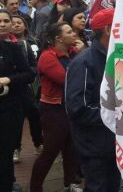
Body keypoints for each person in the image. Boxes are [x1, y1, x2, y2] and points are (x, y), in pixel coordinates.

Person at [65, 9, 121, 192]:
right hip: (94, 144)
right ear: (107, 29)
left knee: (113, 185)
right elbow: (77, 108)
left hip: (112, 140)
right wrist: (115, 114)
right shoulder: (84, 62)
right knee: (98, 187)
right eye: (122, 25)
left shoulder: (113, 57)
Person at [31, 22, 82, 191]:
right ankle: (35, 187)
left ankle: (70, 183)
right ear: (59, 39)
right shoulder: (47, 57)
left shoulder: (73, 53)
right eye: (69, 32)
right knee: (51, 151)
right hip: (54, 110)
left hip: (71, 107)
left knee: (71, 148)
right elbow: (67, 79)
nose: (74, 33)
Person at [0, 9, 35, 192]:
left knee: (5, 152)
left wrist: (9, 80)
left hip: (9, 108)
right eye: (0, 21)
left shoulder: (14, 48)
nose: (3, 24)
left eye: (6, 21)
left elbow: (29, 74)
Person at [12, 14, 43, 164]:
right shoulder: (6, 44)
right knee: (15, 120)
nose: (16, 25)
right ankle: (15, 148)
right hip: (11, 89)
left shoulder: (29, 43)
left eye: (19, 22)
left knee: (34, 115)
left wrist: (29, 76)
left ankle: (39, 144)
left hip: (29, 87)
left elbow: (34, 65)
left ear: (25, 25)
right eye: (13, 23)